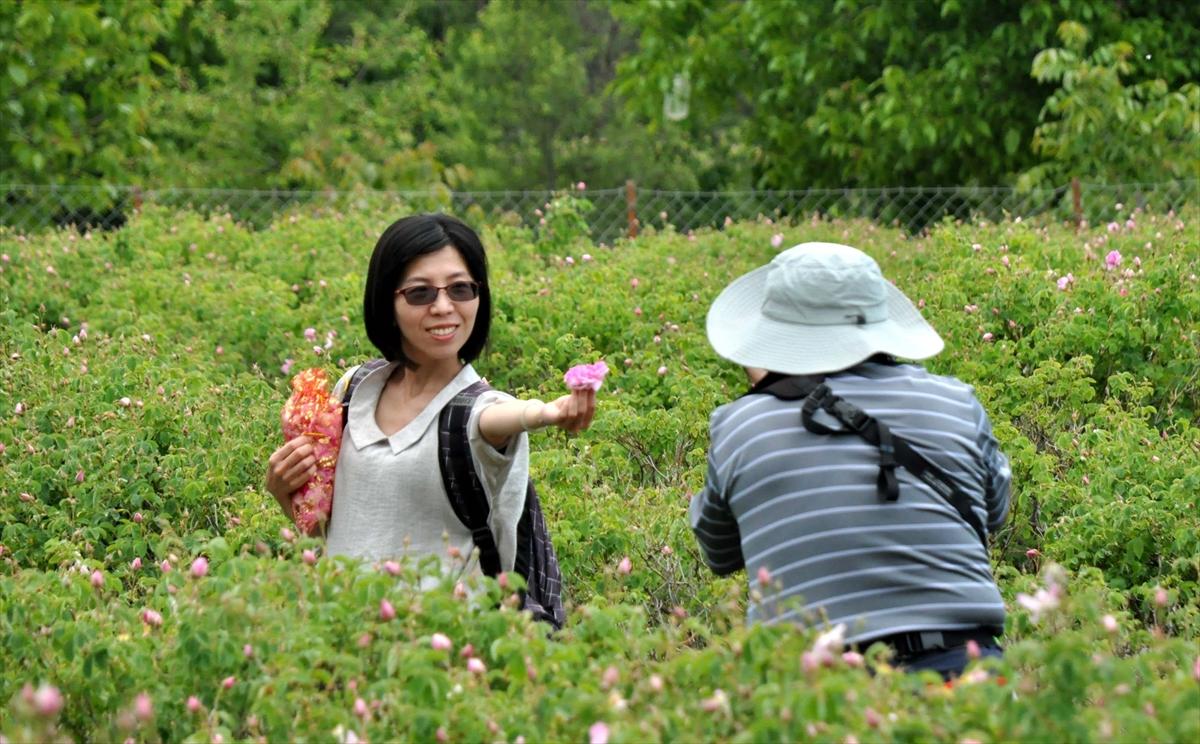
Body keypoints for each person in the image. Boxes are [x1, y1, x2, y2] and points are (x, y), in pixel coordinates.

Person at [690, 241, 1011, 678]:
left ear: (771, 336)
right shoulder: (956, 402)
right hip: (965, 671)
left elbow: (720, 553)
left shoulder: (739, 426)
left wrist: (767, 386)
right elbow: (993, 512)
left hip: (823, 690)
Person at [266, 213, 595, 583]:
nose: (443, 307)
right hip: (344, 629)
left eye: (460, 289)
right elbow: (330, 534)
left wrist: (551, 412)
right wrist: (285, 494)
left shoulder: (475, 412)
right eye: (420, 293)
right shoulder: (352, 392)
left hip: (441, 635)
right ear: (386, 303)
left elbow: (501, 416)